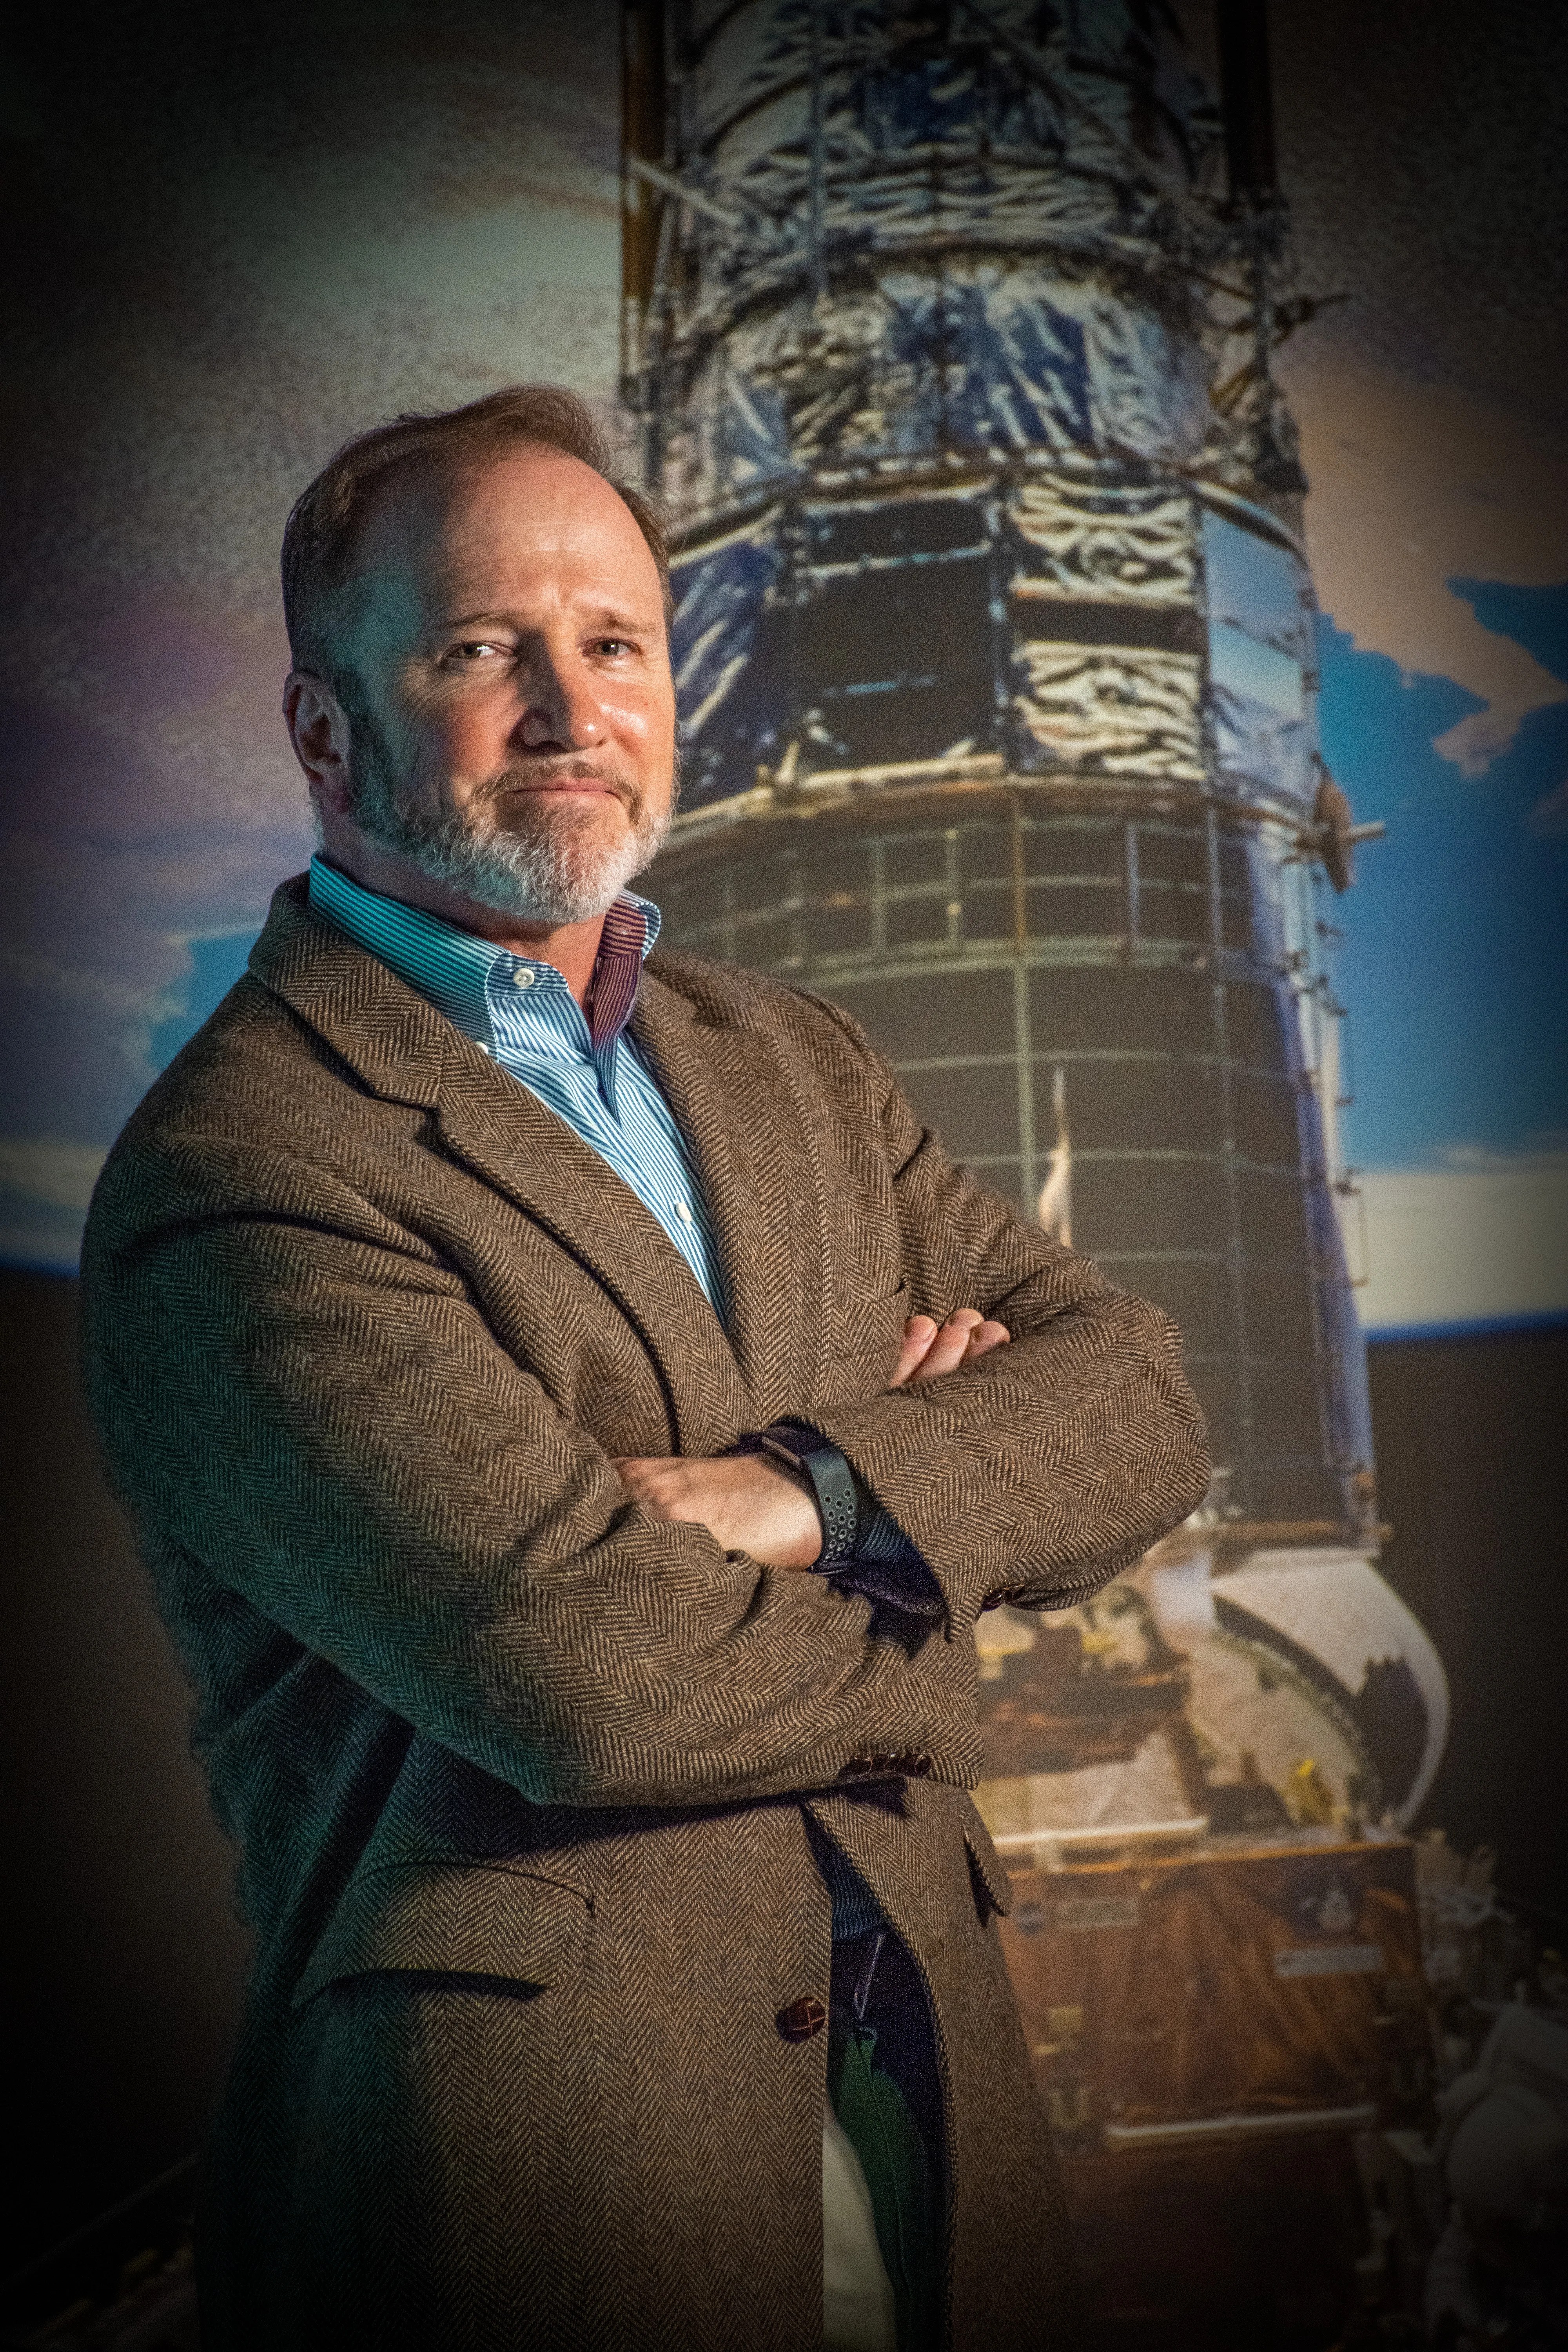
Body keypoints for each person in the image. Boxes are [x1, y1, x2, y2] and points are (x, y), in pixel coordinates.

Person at [80, 384, 1209, 2352]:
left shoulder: (793, 1063)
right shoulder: (242, 1174)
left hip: (923, 2089)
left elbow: (1141, 1402)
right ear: (322, 727)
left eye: (612, 643)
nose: (567, 706)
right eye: (476, 648)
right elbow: (589, 1679)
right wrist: (953, 1581)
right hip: (544, 2182)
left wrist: (823, 1495)